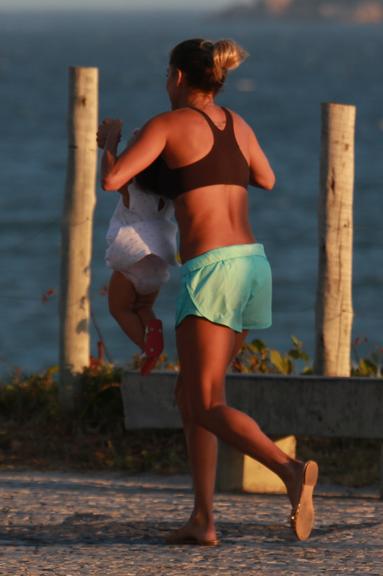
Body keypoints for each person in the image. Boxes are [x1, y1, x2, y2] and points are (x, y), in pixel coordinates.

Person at [99, 38, 319, 544]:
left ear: (178, 77)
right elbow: (266, 177)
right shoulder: (237, 123)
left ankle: (289, 470)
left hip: (214, 270)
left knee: (202, 403)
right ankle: (203, 519)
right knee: (194, 395)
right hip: (252, 267)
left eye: (166, 75)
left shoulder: (167, 123)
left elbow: (114, 180)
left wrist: (110, 140)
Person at [97, 126, 178, 375]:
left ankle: (147, 348)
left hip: (134, 254)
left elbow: (110, 174)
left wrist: (111, 143)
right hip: (159, 257)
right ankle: (152, 328)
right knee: (142, 306)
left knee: (119, 308)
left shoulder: (132, 188)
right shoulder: (168, 194)